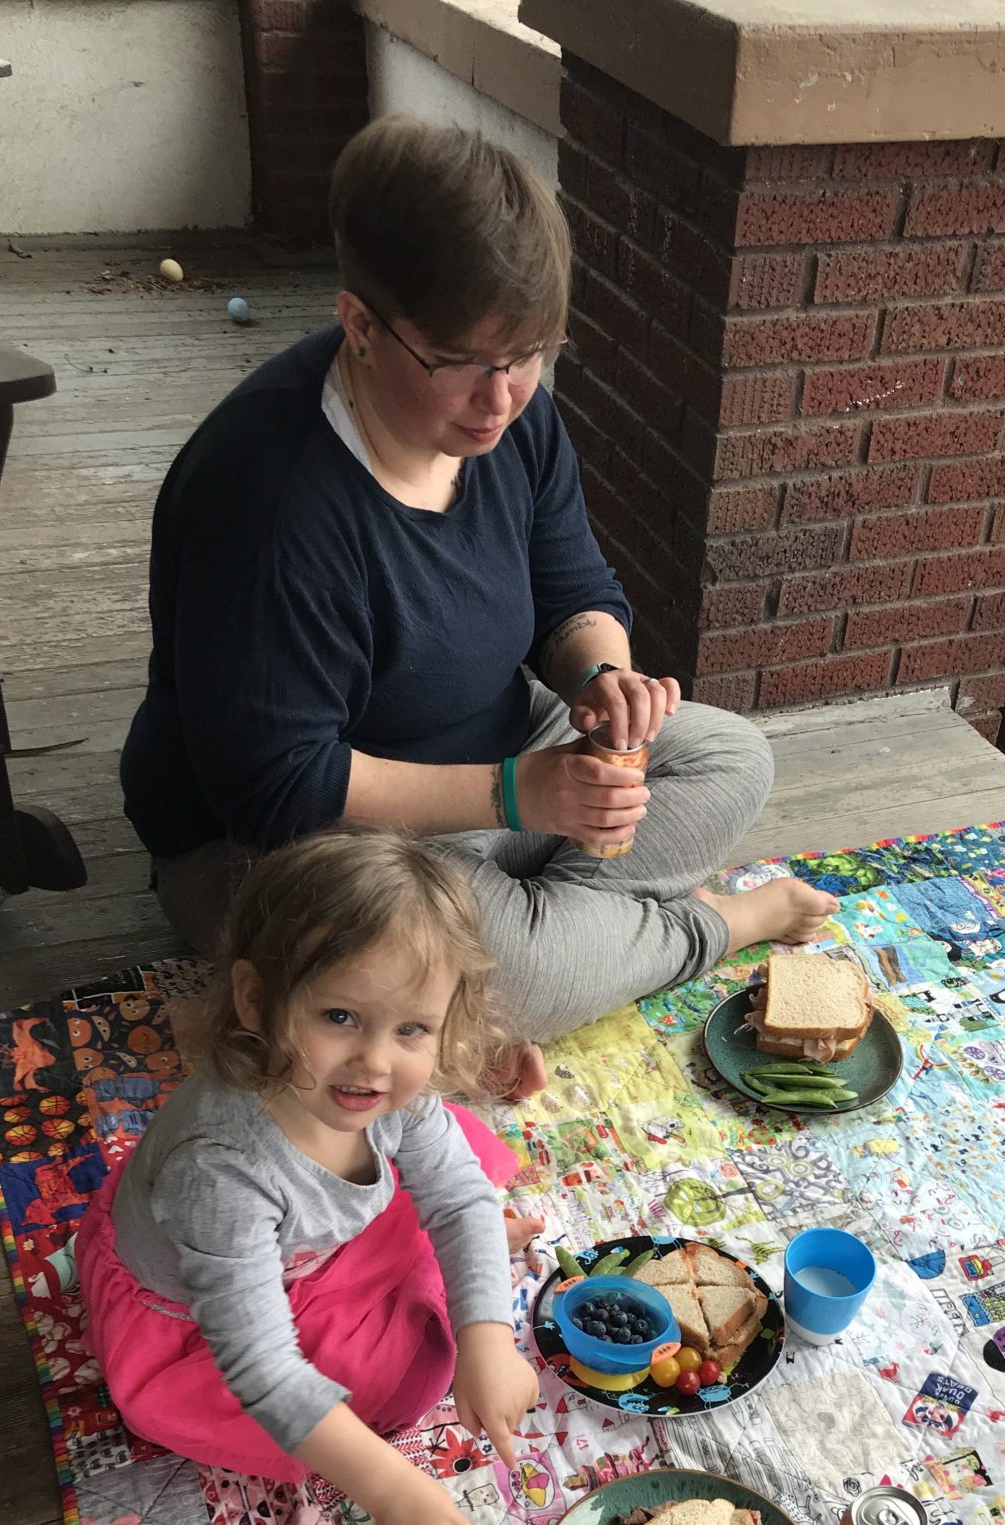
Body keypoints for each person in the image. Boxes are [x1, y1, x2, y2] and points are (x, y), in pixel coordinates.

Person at [120, 115, 831, 1089]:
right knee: (525, 968)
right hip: (295, 838)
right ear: (361, 324)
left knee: (730, 757)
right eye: (461, 360)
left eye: (531, 353)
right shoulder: (267, 498)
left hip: (503, 752)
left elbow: (573, 585)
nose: (502, 397)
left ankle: (520, 940)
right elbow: (277, 785)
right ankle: (705, 923)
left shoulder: (514, 404)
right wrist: (517, 794)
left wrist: (605, 678)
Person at [75, 823, 540, 1525]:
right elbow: (261, 1368)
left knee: (463, 1156)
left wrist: (488, 1335)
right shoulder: (220, 1173)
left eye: (412, 1029)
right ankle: (432, 1266)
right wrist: (390, 1489)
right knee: (401, 1379)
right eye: (339, 1017)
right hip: (200, 1322)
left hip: (303, 1241)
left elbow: (455, 1195)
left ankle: (444, 1264)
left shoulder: (377, 1091)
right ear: (256, 999)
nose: (375, 1061)